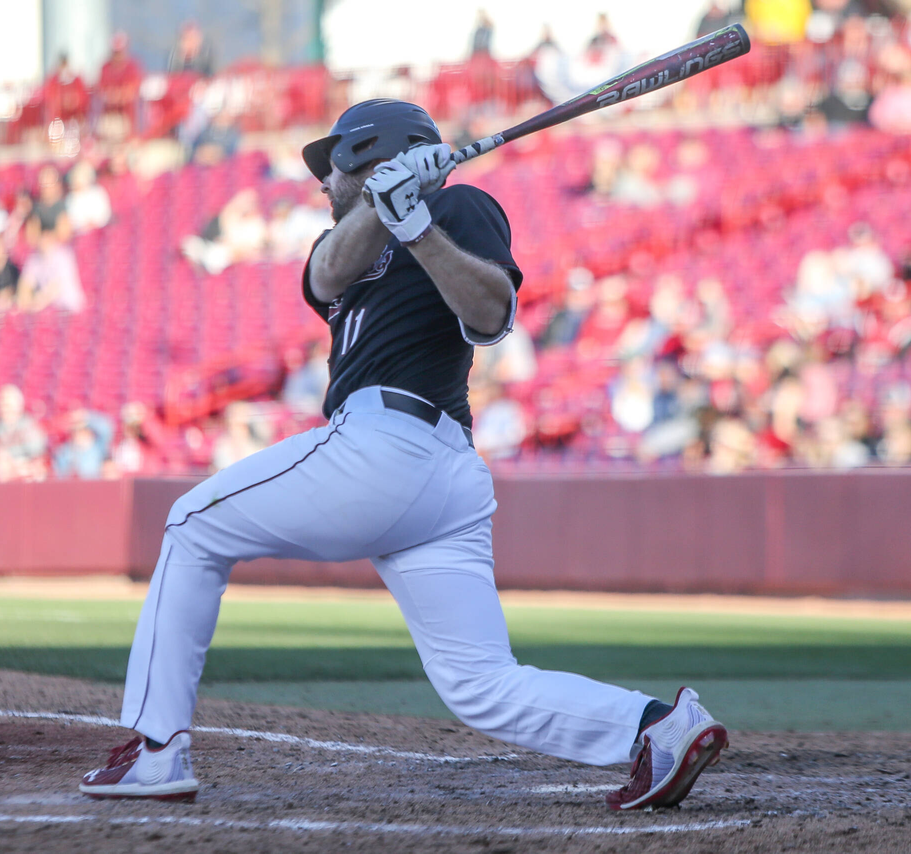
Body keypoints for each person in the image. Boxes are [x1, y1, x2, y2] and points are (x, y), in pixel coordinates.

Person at [78, 99, 728, 810]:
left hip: (396, 447)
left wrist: (418, 222)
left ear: (371, 155)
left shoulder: (460, 208)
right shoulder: (346, 244)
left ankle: (156, 751)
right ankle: (656, 728)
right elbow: (325, 274)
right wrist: (386, 204)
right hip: (421, 475)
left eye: (334, 166)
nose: (323, 182)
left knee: (191, 524)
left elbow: (491, 315)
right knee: (478, 685)